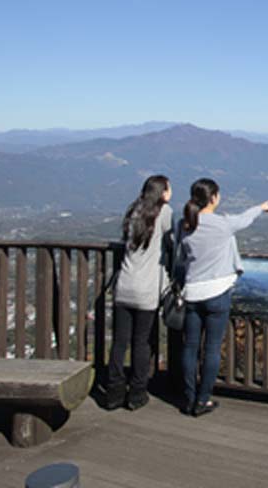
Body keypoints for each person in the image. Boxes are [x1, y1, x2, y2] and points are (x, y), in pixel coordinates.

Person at [178, 177, 268, 416]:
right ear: (213, 198)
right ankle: (203, 399)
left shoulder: (185, 224)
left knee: (189, 348)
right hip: (218, 293)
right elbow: (244, 219)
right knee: (211, 348)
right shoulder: (221, 224)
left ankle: (188, 397)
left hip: (192, 292)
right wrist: (261, 208)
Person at [102, 174, 174, 410]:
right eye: (168, 189)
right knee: (141, 343)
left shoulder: (133, 211)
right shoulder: (164, 213)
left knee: (119, 343)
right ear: (162, 192)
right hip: (146, 290)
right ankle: (137, 393)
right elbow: (171, 240)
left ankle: (113, 393)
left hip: (124, 286)